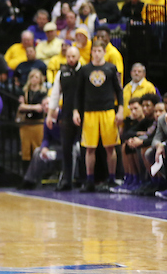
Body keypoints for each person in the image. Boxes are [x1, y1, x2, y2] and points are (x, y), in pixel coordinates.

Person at [72, 40, 124, 192]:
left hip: (108, 111)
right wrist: (76, 110)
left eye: (99, 51)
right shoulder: (85, 70)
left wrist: (120, 110)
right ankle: (89, 180)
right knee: (90, 148)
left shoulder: (111, 68)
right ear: (91, 53)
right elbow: (78, 93)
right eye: (94, 51)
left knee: (110, 147)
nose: (96, 53)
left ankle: (112, 179)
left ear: (104, 52)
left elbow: (119, 91)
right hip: (90, 112)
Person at [45, 44, 83, 191]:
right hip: (66, 114)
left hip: (83, 114)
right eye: (68, 56)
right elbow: (55, 94)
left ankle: (85, 179)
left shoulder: (84, 71)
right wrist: (50, 114)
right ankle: (66, 180)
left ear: (78, 57)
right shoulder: (62, 72)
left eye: (73, 56)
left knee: (84, 148)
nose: (71, 59)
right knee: (66, 148)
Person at [16, 69, 47, 163]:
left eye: (36, 77)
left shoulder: (43, 93)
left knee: (37, 147)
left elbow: (41, 108)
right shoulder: (24, 91)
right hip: (26, 123)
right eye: (32, 77)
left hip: (38, 123)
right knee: (25, 149)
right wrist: (33, 107)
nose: (34, 79)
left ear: (40, 79)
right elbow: (21, 107)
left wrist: (27, 106)